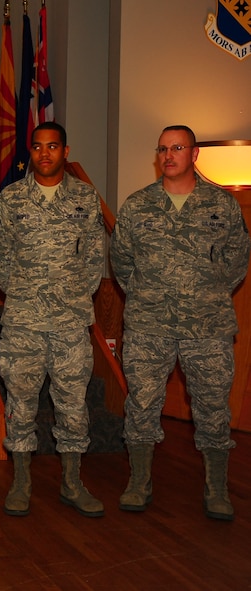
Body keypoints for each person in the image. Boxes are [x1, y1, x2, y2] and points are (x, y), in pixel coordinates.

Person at [110, 125, 250, 521]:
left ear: (194, 154)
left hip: (207, 328)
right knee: (141, 406)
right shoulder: (138, 206)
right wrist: (146, 294)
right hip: (148, 326)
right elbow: (121, 262)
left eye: (178, 148)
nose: (169, 155)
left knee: (212, 408)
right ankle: (139, 482)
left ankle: (216, 488)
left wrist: (205, 293)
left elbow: (238, 259)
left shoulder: (221, 205)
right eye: (163, 148)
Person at [0, 121, 106, 518]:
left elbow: (95, 257)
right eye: (38, 147)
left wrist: (71, 296)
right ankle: (21, 482)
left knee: (73, 405)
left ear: (65, 151)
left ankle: (72, 482)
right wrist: (25, 293)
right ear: (31, 152)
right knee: (20, 404)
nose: (45, 154)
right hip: (23, 321)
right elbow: (1, 259)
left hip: (71, 324)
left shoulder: (86, 198)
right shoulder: (12, 198)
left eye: (52, 146)